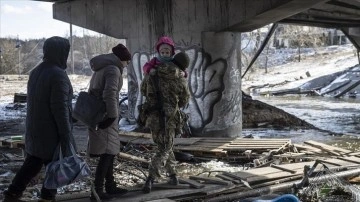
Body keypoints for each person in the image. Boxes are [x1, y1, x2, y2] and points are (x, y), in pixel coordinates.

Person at [3, 36, 75, 202]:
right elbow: (60, 108)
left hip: (35, 128)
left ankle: (12, 194)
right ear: (62, 52)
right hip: (51, 132)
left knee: (33, 162)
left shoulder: (37, 71)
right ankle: (47, 198)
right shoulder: (58, 75)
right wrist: (66, 134)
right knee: (54, 167)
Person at [140, 52, 190, 193]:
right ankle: (150, 179)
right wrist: (171, 103)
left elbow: (143, 89)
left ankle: (173, 176)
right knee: (164, 149)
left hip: (152, 117)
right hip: (169, 118)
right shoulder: (180, 78)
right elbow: (184, 100)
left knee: (165, 146)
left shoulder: (153, 73)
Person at [87, 43, 131, 200]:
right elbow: (110, 94)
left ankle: (110, 186)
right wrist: (112, 116)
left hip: (98, 114)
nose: (127, 66)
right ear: (123, 60)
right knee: (107, 153)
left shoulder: (102, 67)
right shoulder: (113, 69)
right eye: (127, 62)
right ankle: (98, 191)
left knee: (110, 151)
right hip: (106, 115)